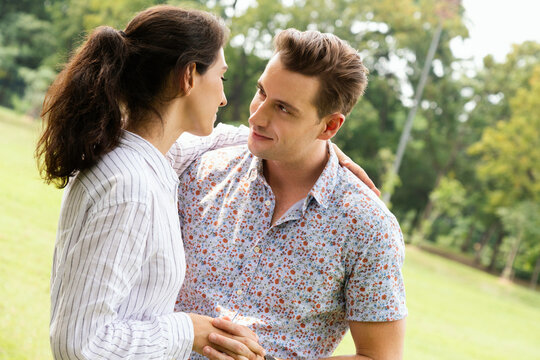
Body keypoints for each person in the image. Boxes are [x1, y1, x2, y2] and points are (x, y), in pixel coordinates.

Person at [36, 5, 265, 360]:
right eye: (221, 77)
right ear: (189, 75)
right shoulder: (130, 188)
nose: (222, 96)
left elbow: (213, 139)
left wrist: (318, 145)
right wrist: (188, 330)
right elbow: (80, 343)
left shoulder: (135, 154)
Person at [175, 29, 407, 360]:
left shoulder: (367, 228)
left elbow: (380, 356)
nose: (257, 116)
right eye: (261, 92)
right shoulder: (200, 170)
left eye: (283, 108)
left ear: (329, 127)